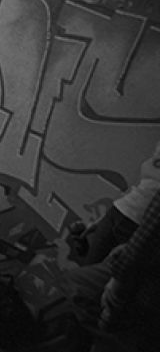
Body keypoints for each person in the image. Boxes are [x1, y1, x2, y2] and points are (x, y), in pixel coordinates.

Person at [63, 187, 160, 352]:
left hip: (134, 228)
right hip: (120, 215)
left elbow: (150, 232)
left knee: (84, 290)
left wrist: (119, 280)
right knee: (84, 288)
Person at [69, 140, 160, 266]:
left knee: (107, 273)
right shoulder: (155, 156)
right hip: (119, 212)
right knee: (90, 265)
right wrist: (99, 221)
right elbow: (140, 188)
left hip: (136, 227)